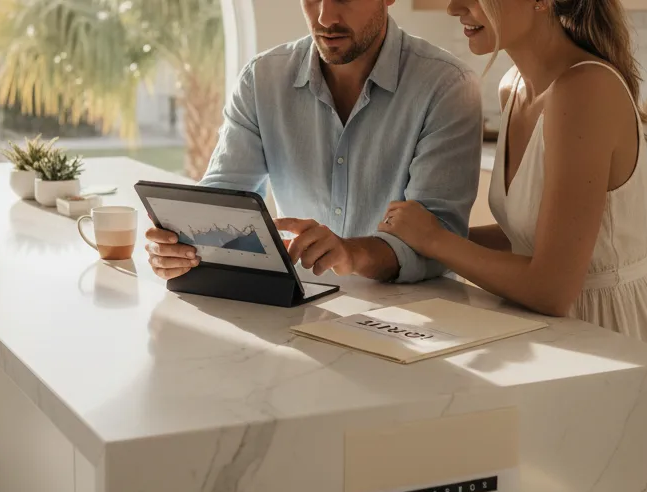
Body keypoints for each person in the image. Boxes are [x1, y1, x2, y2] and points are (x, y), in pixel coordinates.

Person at [376, 1, 647, 492]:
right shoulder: (515, 85)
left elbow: (553, 285)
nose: (454, 7)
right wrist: (410, 245)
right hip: (557, 351)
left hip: (619, 354)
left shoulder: (586, 91)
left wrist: (436, 240)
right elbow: (531, 236)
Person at [145, 0, 483, 284]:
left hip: (416, 318)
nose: (325, 18)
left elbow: (441, 239)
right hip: (301, 306)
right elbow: (224, 196)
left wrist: (352, 253)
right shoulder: (261, 79)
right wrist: (182, 243)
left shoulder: (447, 86)